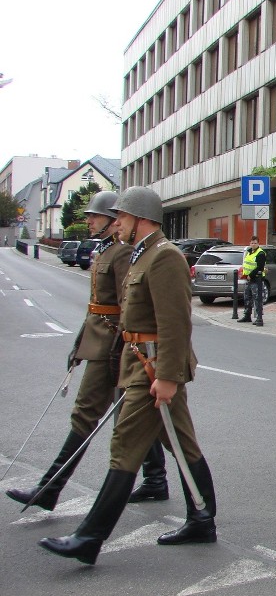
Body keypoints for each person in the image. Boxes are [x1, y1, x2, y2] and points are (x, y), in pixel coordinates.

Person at [38, 186, 217, 565]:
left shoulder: (164, 257)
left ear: (141, 218)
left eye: (121, 217)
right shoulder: (141, 255)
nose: (115, 223)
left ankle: (89, 537)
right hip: (139, 361)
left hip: (154, 365)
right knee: (182, 444)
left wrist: (166, 376)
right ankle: (203, 520)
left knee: (124, 447)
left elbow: (175, 323)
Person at [6, 192, 168, 510]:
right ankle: (155, 479)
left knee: (89, 415)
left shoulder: (122, 253)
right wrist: (79, 343)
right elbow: (95, 307)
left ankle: (49, 488)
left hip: (113, 347)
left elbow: (129, 308)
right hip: (99, 342)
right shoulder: (104, 250)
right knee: (132, 415)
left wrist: (121, 349)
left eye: (95, 216)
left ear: (112, 219)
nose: (89, 220)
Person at [237, 236, 266, 326]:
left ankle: (259, 317)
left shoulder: (260, 253)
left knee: (257, 299)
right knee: (247, 298)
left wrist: (251, 275)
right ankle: (247, 315)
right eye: (252, 243)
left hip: (256, 279)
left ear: (258, 244)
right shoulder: (249, 252)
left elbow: (260, 267)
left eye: (255, 243)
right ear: (250, 243)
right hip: (248, 279)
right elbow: (246, 264)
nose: (253, 244)